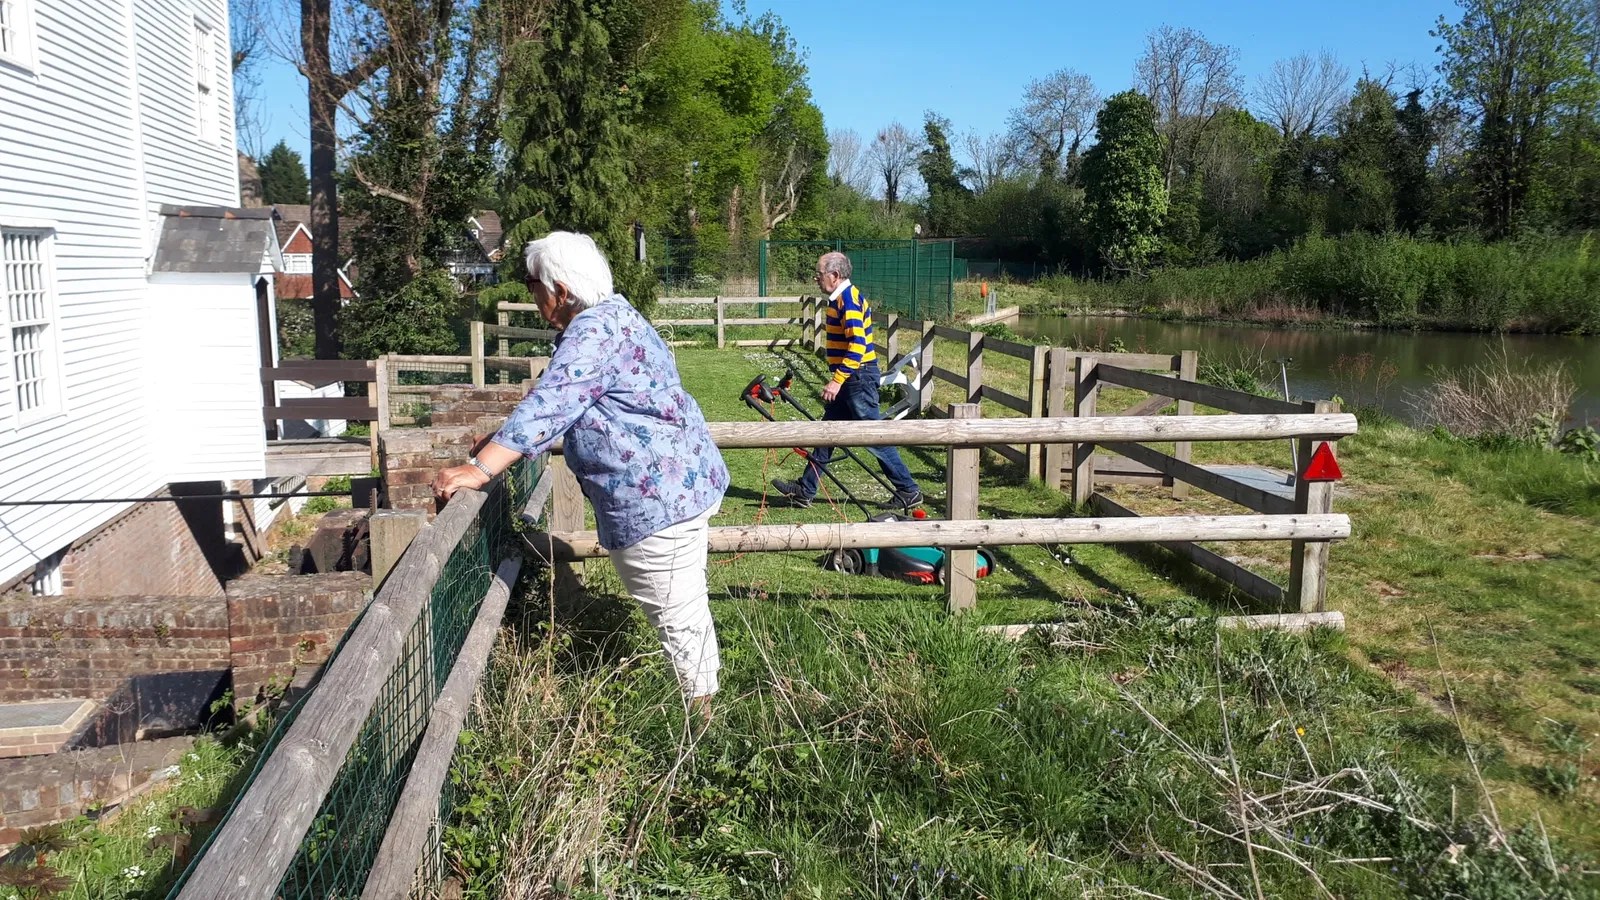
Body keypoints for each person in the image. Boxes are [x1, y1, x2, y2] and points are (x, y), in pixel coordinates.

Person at [431, 231, 729, 715]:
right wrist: (513, 445)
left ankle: (700, 733)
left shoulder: (594, 331)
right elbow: (601, 410)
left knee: (679, 617)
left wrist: (480, 468)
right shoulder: (620, 317)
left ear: (561, 290)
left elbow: (552, 403)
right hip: (684, 482)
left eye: (532, 284)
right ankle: (701, 711)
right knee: (684, 609)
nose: (532, 295)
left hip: (656, 498)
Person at [772, 252, 924, 510]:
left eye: (819, 274)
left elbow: (858, 345)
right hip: (852, 377)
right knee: (828, 433)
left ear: (834, 275)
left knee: (872, 436)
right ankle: (805, 490)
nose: (816, 279)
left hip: (857, 377)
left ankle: (908, 489)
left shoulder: (848, 300)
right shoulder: (840, 299)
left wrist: (837, 380)